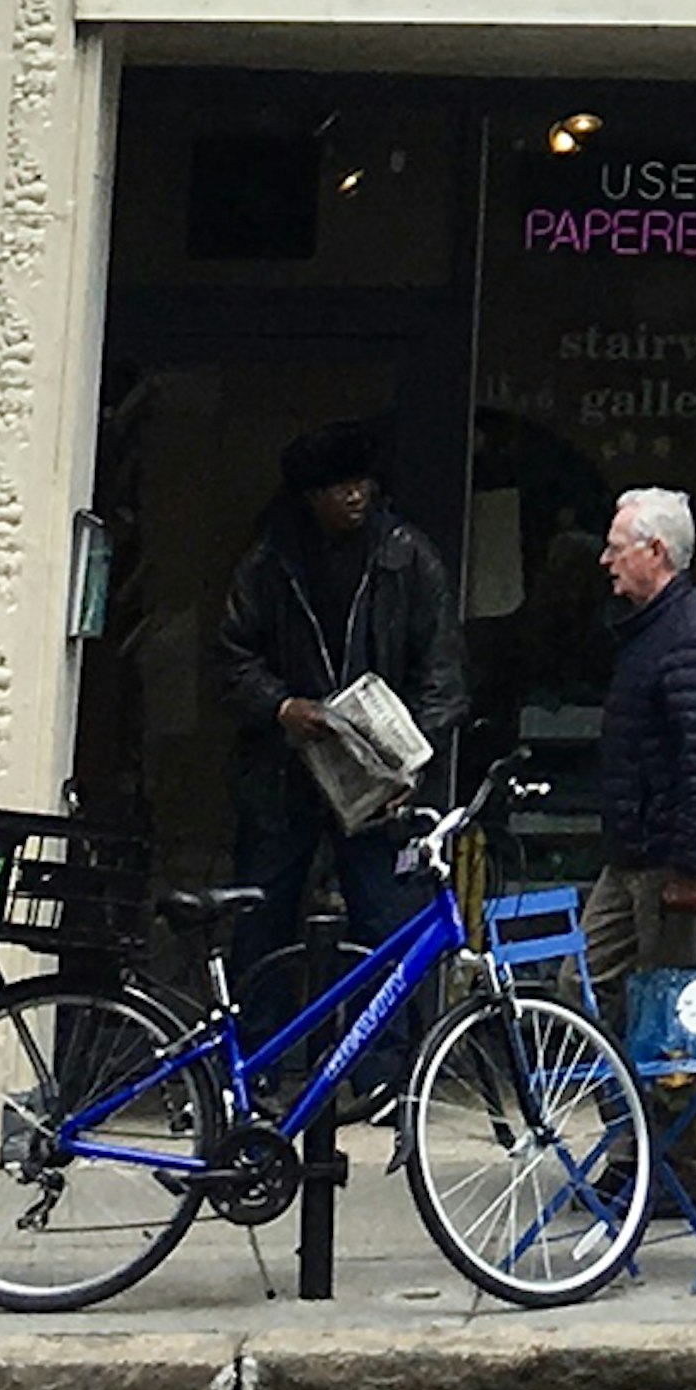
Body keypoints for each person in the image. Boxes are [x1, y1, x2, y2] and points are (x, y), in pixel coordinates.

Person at [211, 420, 469, 1019]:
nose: (355, 496)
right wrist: (280, 706)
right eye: (338, 487)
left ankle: (387, 1075)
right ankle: (258, 1068)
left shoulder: (407, 558)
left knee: (386, 924)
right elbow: (230, 656)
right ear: (310, 496)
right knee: (263, 920)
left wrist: (410, 762)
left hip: (379, 781)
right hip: (284, 775)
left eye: (361, 482)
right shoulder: (271, 562)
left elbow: (443, 672)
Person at [586, 486, 696, 1215]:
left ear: (655, 552)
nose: (605, 560)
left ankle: (691, 1175)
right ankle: (636, 1149)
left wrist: (691, 866)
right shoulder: (652, 630)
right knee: (586, 987)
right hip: (634, 852)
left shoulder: (690, 636)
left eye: (617, 546)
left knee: (683, 1020)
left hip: (668, 858)